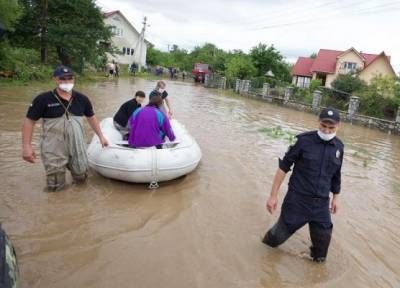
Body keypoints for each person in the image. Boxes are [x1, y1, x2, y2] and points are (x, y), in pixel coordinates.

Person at [262, 108, 344, 263]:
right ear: (318, 122)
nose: (326, 130)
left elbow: (336, 174)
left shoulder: (339, 147)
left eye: (331, 128)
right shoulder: (302, 141)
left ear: (338, 126)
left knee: (320, 255)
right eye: (323, 126)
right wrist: (273, 196)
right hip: (297, 201)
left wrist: (336, 198)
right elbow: (283, 168)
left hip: (321, 205)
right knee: (273, 240)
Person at [22, 65, 108, 191]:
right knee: (55, 184)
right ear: (55, 79)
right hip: (53, 147)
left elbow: (91, 118)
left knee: (81, 177)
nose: (67, 82)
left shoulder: (82, 99)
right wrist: (26, 147)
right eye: (62, 79)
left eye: (70, 78)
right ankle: (56, 207)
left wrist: (101, 136)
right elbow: (29, 121)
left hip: (77, 144)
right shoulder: (43, 99)